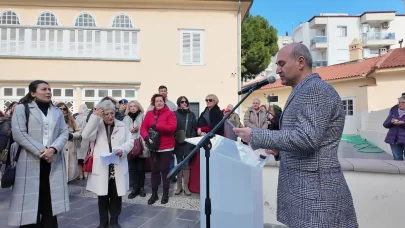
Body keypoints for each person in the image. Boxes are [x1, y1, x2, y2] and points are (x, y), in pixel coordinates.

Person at [233, 43, 358, 228]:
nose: (277, 70)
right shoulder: (302, 90)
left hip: (316, 196)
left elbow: (307, 139)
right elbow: (304, 136)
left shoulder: (315, 90)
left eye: (282, 64)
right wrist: (278, 149)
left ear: (301, 62)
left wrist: (257, 135)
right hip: (305, 192)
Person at [9, 80, 69, 227]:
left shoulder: (56, 111)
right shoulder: (22, 108)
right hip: (30, 160)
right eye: (44, 89)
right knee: (29, 200)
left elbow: (64, 131)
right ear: (33, 93)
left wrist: (53, 149)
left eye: (49, 89)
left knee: (50, 199)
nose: (48, 92)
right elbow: (19, 134)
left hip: (53, 160)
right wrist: (43, 151)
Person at [82, 100, 133, 228]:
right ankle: (103, 222)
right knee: (102, 196)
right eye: (106, 114)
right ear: (102, 114)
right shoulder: (96, 125)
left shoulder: (122, 125)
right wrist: (94, 117)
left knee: (116, 196)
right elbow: (86, 135)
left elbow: (130, 141)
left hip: (117, 165)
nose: (110, 116)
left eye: (112, 113)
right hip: (102, 166)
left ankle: (114, 220)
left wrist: (123, 150)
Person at [140, 94, 177, 205]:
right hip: (154, 147)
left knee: (165, 171)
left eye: (161, 101)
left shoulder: (170, 113)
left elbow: (172, 127)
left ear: (164, 102)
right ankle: (154, 193)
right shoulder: (149, 114)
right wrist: (146, 137)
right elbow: (143, 128)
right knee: (154, 171)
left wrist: (158, 126)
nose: (159, 103)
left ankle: (165, 193)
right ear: (153, 103)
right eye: (157, 101)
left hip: (166, 147)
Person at [123, 100, 148, 199]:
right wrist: (130, 130)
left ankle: (141, 188)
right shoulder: (125, 118)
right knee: (132, 169)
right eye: (131, 106)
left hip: (141, 145)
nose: (133, 108)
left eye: (135, 106)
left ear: (138, 107)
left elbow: (146, 129)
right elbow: (123, 132)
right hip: (130, 146)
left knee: (141, 168)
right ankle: (134, 188)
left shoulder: (143, 116)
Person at [173, 96, 197, 196]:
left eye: (185, 102)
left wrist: (190, 138)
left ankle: (186, 186)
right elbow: (172, 127)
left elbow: (194, 128)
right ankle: (179, 186)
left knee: (186, 164)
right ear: (179, 103)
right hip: (177, 142)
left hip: (188, 142)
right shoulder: (174, 114)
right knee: (179, 164)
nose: (184, 103)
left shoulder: (191, 114)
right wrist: (176, 136)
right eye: (182, 102)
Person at [56, 103, 81, 182]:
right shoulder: (52, 121)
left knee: (70, 173)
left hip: (70, 149)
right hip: (58, 149)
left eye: (64, 109)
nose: (62, 111)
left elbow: (80, 133)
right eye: (60, 109)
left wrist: (72, 135)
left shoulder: (72, 121)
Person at [383, 94, 405, 160]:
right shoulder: (393, 112)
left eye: (403, 102)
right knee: (397, 158)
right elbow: (385, 124)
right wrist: (391, 121)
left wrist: (403, 123)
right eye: (399, 102)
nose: (400, 104)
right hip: (394, 139)